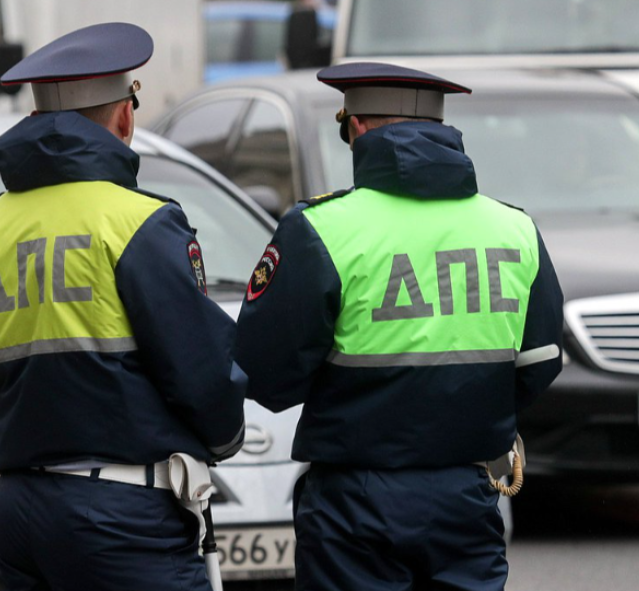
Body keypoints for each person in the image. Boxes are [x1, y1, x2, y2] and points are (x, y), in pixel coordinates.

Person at [234, 62, 564, 591]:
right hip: (468, 491)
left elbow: (264, 372)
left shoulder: (321, 228)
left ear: (356, 128)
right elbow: (541, 362)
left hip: (354, 502)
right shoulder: (514, 228)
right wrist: (464, 410)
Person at [0, 22, 246, 591]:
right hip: (121, 518)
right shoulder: (140, 222)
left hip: (17, 509)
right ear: (125, 117)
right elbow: (201, 371)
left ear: (33, 118)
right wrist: (223, 438)